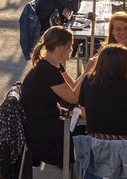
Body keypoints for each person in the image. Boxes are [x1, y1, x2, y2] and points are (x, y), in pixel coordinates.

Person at [71, 43, 127, 179]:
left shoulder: (88, 81)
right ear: (121, 65)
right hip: (124, 149)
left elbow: (84, 112)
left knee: (104, 154)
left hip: (94, 147)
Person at [19, 27, 82, 166]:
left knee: (83, 119)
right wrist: (88, 71)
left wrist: (87, 74)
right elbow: (74, 97)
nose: (72, 49)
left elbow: (72, 86)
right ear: (60, 48)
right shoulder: (47, 71)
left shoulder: (54, 65)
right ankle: (89, 178)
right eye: (70, 46)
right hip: (41, 133)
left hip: (44, 120)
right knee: (88, 130)